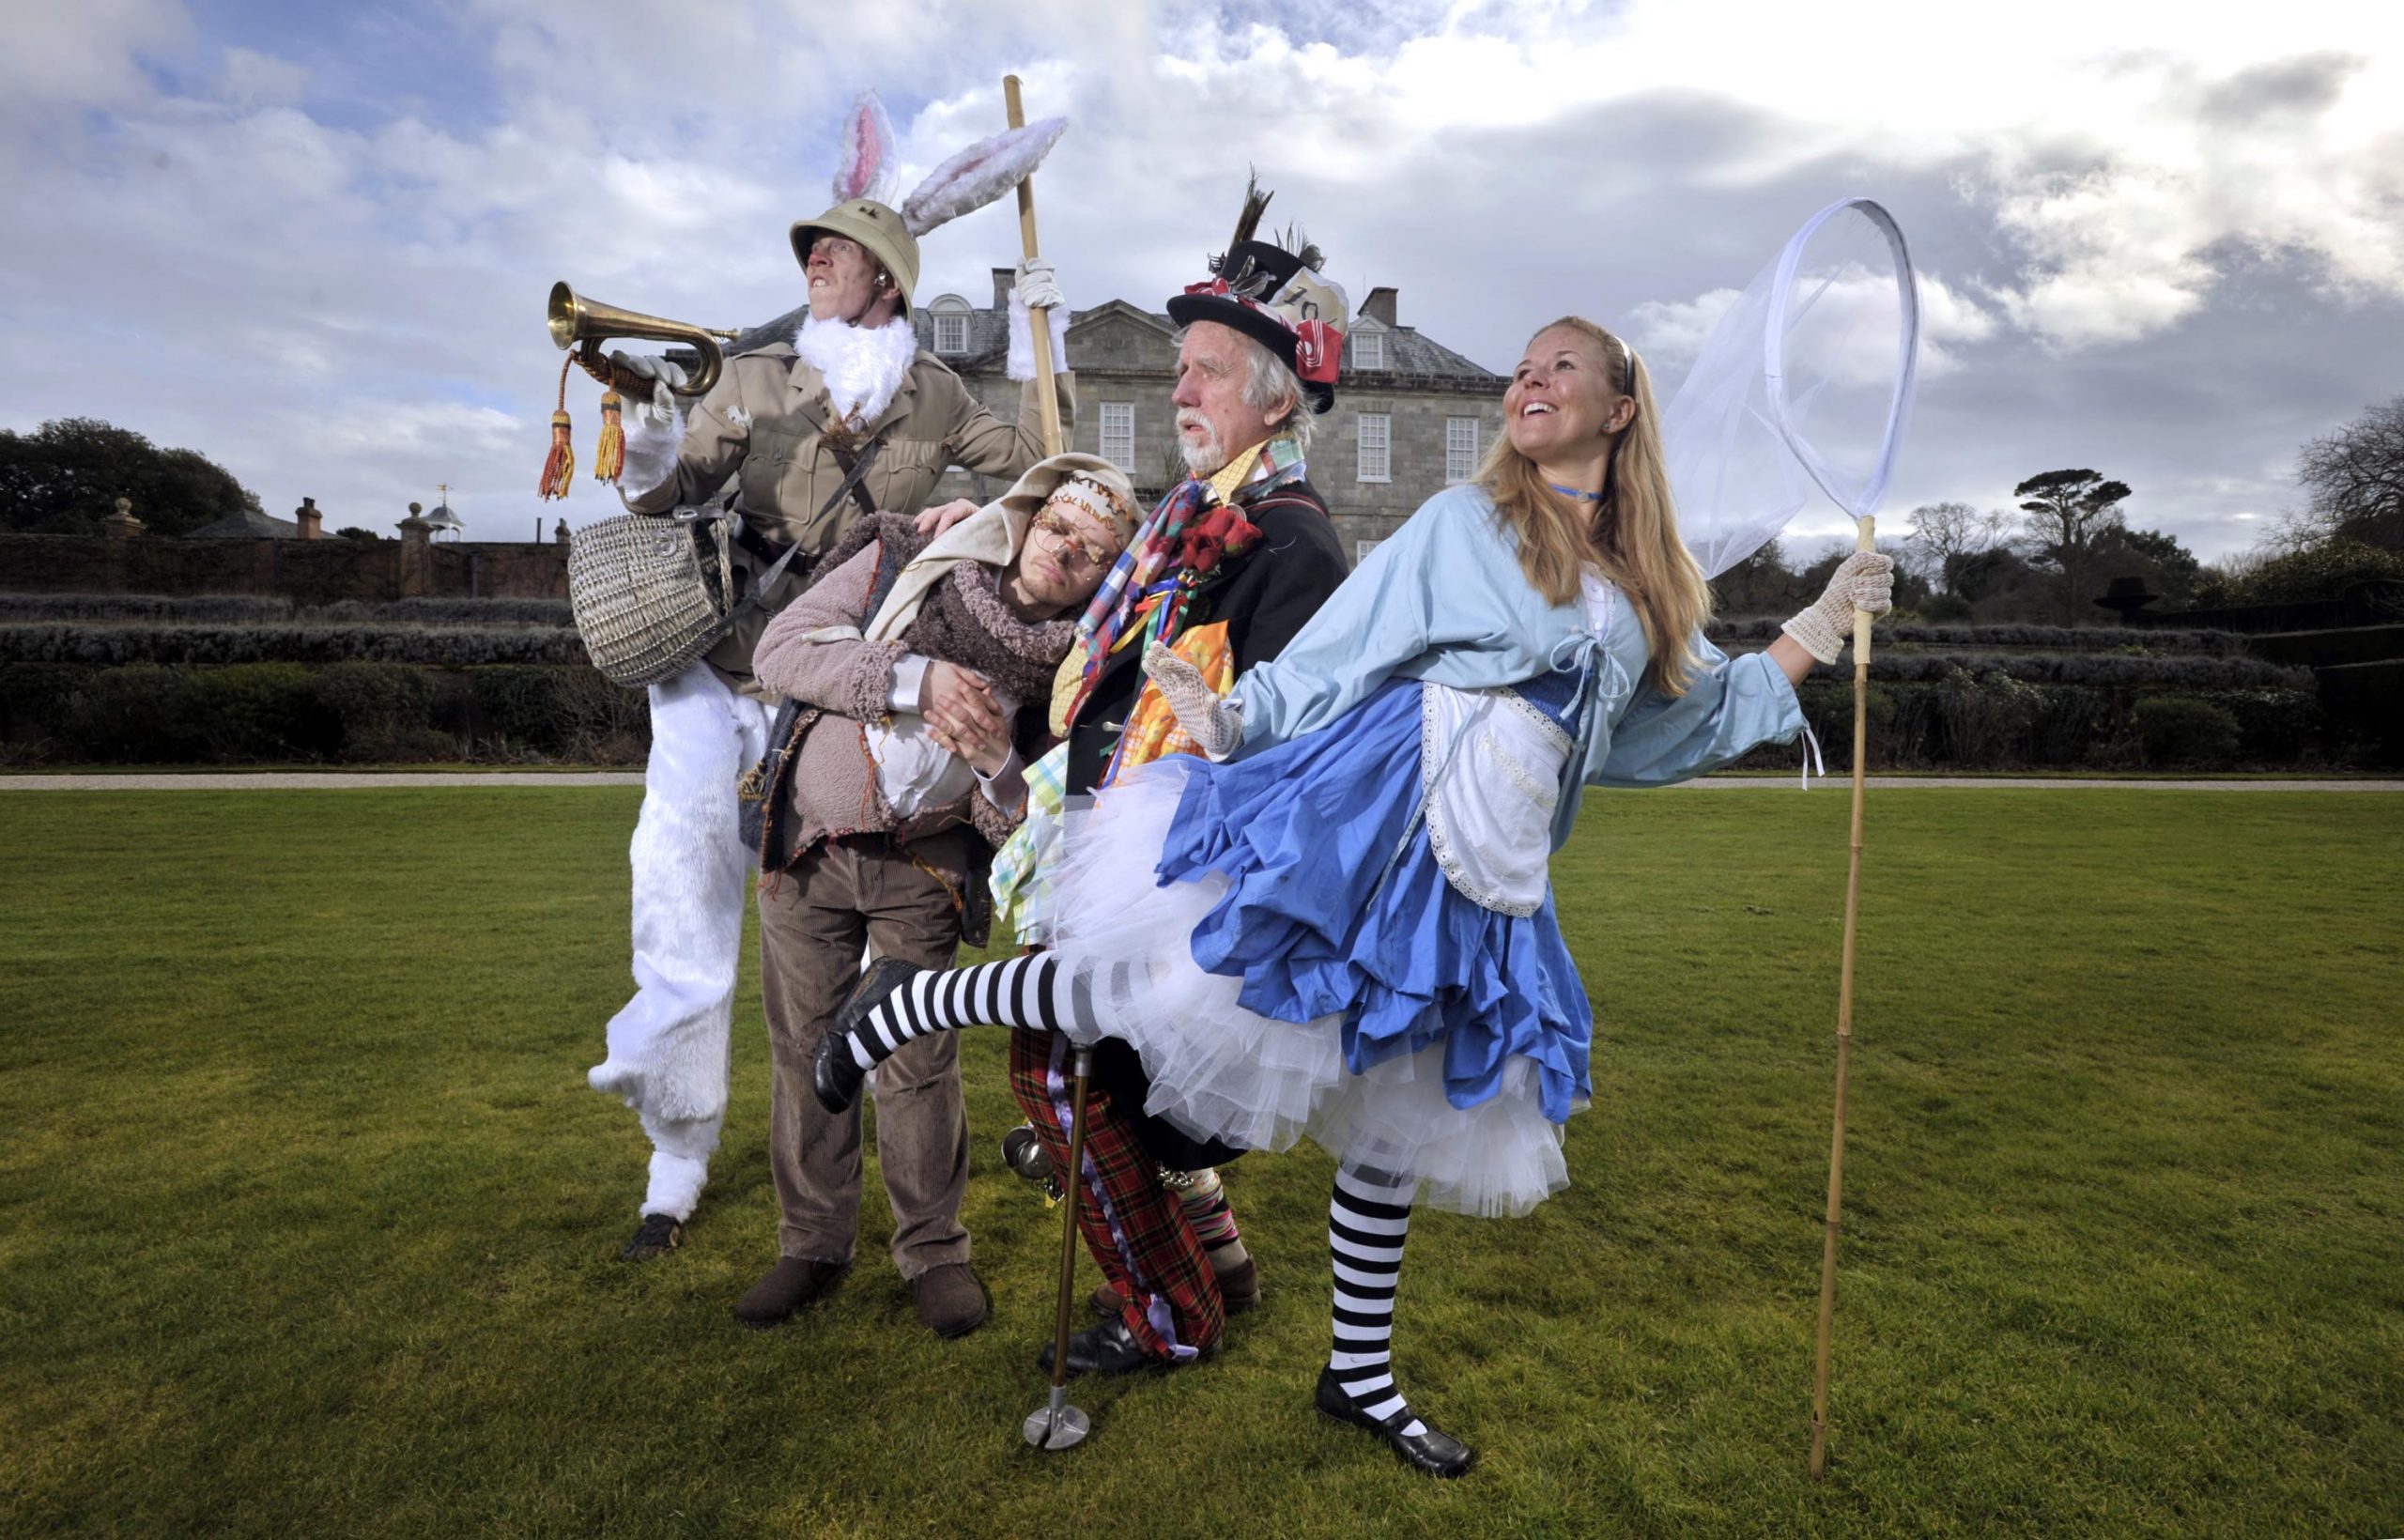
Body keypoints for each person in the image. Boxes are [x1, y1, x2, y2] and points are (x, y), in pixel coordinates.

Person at [818, 316, 1894, 1475]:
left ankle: (1358, 1377)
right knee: (1170, 986)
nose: (1528, 380)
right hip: (1374, 817)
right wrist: (1239, 715)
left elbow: (1663, 730)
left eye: (1559, 365)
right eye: (1521, 366)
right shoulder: (1466, 524)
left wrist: (1818, 626)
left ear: (1621, 409)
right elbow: (1342, 651)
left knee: (1402, 1104)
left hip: (1488, 876)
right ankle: (903, 1006)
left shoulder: (1643, 583)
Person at [582, 186, 1076, 1263]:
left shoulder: (940, 394)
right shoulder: (753, 373)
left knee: (852, 988)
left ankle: (898, 1234)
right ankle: (673, 1156)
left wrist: (1052, 336)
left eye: (834, 251)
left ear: (886, 281)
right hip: (727, 670)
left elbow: (1054, 472)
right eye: (809, 247)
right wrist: (659, 439)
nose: (810, 259)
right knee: (678, 891)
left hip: (842, 690)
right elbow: (660, 502)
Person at [905, 203, 1352, 1376]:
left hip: (1182, 870)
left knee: (1060, 1069)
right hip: (1111, 843)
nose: (1178, 391)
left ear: (1272, 398)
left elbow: (1282, 750)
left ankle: (1173, 1313)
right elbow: (1097, 669)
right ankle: (1221, 1265)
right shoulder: (1192, 519)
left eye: (1203, 371)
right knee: (1089, 1074)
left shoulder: (1291, 543)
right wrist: (978, 524)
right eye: (1177, 371)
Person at [730, 453, 1139, 1335]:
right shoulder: (912, 560)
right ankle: (811, 1242)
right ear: (1028, 516)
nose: (1068, 552)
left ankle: (933, 1253)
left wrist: (996, 759)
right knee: (805, 1050)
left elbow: (1037, 826)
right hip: (809, 846)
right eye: (1061, 526)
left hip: (924, 869)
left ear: (1107, 582)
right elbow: (781, 651)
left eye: (1096, 554)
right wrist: (920, 681)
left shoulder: (1078, 681)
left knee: (918, 1059)